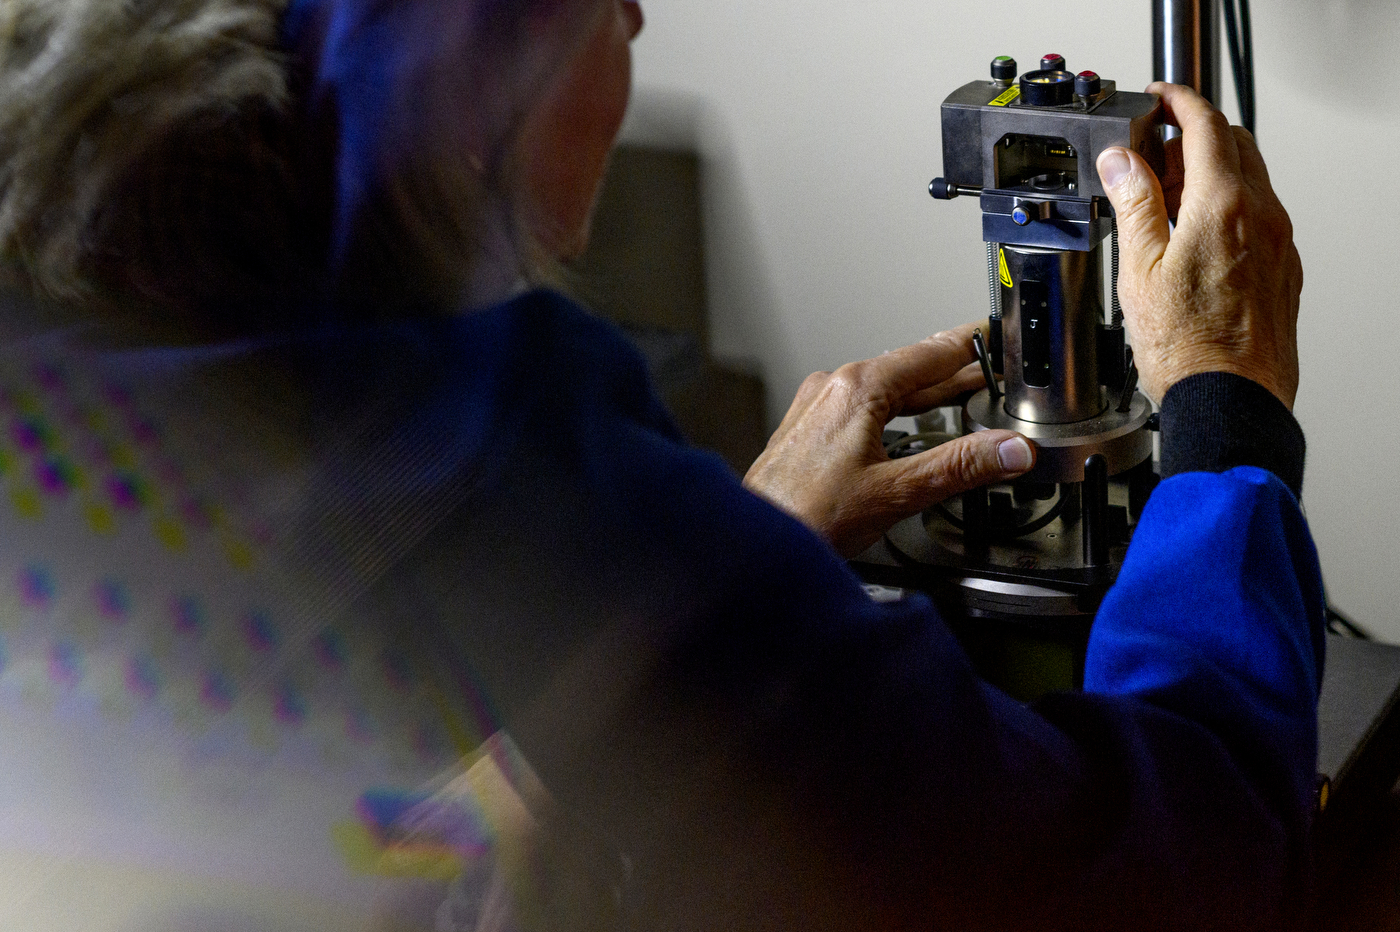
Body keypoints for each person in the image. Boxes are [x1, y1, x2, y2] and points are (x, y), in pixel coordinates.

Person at [0, 0, 1317, 930]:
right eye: (617, 9)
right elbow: (1177, 866)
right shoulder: (491, 453)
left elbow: (363, 859)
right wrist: (1225, 398)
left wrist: (722, 571)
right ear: (478, 59)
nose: (629, 36)